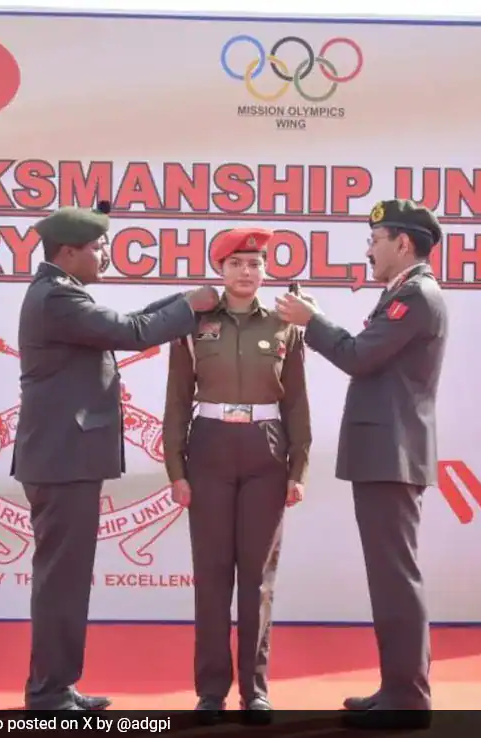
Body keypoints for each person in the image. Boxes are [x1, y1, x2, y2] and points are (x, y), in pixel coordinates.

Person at [12, 200, 221, 711]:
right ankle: (48, 693)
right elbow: (133, 333)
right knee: (61, 581)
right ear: (68, 252)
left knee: (65, 579)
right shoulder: (58, 299)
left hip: (64, 459)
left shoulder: (61, 293)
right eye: (98, 247)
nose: (105, 255)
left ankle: (58, 685)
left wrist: (185, 300)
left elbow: (128, 322)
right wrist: (191, 306)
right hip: (62, 461)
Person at [274, 199, 448, 730]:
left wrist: (312, 321)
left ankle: (407, 698)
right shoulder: (401, 292)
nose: (369, 250)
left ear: (403, 243)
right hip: (385, 452)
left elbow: (358, 356)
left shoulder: (415, 295)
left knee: (395, 577)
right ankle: (396, 688)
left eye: (375, 240)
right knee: (389, 577)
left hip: (392, 453)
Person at [162, 228, 312, 721]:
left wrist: (298, 467)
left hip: (265, 451)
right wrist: (176, 469)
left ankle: (255, 690)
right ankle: (210, 691)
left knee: (258, 579)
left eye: (255, 263)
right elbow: (177, 401)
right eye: (236, 264)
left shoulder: (286, 323)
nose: (246, 272)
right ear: (220, 270)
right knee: (211, 576)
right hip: (209, 448)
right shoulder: (193, 323)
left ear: (265, 270)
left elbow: (297, 403)